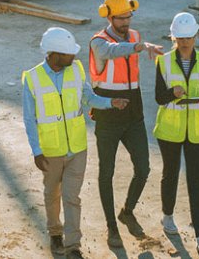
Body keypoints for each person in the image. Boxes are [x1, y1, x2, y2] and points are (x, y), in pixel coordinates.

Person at [22, 27, 130, 259]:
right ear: (53, 54)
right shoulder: (32, 79)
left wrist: (112, 102)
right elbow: (29, 119)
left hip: (77, 148)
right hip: (50, 150)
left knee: (72, 197)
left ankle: (73, 247)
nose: (74, 57)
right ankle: (54, 233)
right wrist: (36, 150)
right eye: (69, 53)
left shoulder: (76, 70)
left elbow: (88, 98)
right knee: (52, 195)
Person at [88, 0, 164, 247]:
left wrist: (141, 45)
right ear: (109, 16)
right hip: (107, 114)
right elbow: (112, 52)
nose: (126, 22)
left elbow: (130, 46)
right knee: (106, 173)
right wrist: (141, 47)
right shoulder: (98, 42)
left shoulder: (134, 36)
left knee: (143, 168)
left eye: (129, 16)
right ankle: (112, 227)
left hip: (133, 113)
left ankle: (127, 211)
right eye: (121, 18)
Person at [152, 12, 199, 252]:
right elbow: (159, 97)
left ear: (196, 36)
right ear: (173, 38)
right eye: (180, 38)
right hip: (169, 130)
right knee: (170, 174)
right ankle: (167, 216)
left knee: (196, 181)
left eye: (189, 37)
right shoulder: (164, 62)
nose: (185, 42)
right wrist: (172, 93)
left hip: (198, 132)